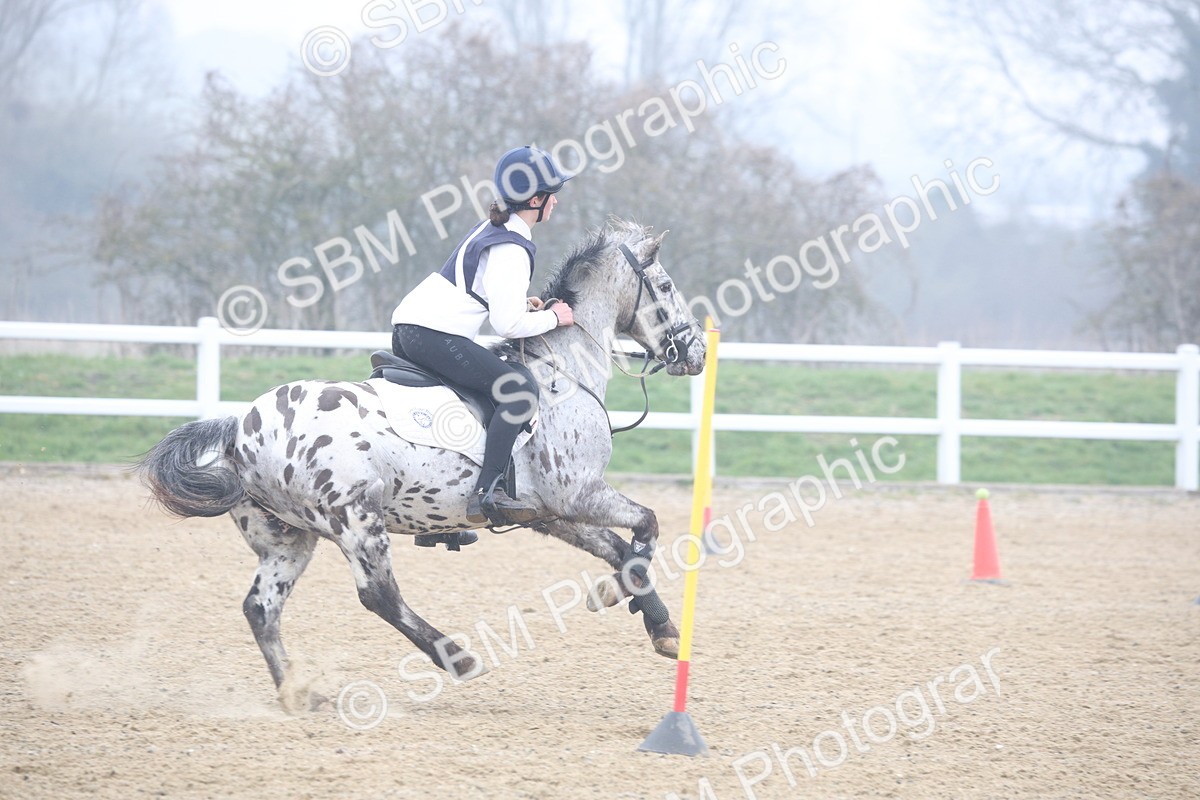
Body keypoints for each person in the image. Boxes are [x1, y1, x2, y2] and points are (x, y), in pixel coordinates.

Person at [391, 146, 575, 548]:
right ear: (535, 200)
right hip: (434, 334)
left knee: (462, 405)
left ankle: (437, 521)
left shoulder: (496, 229)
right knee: (519, 391)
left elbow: (485, 294)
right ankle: (488, 494)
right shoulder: (512, 246)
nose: (556, 201)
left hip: (409, 328)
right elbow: (507, 326)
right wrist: (554, 318)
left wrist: (523, 304)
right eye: (552, 193)